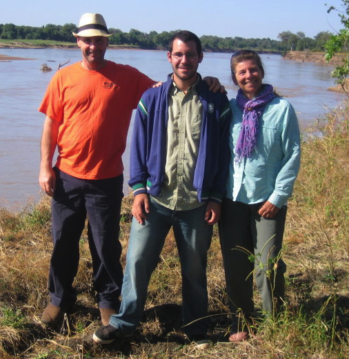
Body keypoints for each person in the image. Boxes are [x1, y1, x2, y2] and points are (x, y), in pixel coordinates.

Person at [38, 13, 223, 328]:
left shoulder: (127, 76)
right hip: (66, 175)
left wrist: (206, 83)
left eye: (99, 39)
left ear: (107, 41)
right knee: (63, 242)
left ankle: (108, 303)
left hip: (107, 179)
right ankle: (59, 301)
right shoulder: (62, 78)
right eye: (87, 39)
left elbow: (167, 90)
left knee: (106, 245)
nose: (93, 45)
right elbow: (51, 124)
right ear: (78, 41)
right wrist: (45, 166)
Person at [92, 30, 231, 349]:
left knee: (195, 268)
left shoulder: (215, 100)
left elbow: (223, 155)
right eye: (178, 54)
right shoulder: (152, 98)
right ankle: (125, 322)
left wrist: (215, 196)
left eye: (191, 54)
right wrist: (138, 190)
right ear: (169, 57)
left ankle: (196, 328)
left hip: (197, 203)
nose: (185, 60)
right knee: (137, 262)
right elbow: (137, 148)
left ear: (200, 57)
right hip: (155, 200)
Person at [218, 50, 301, 342]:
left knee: (268, 266)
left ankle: (274, 323)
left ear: (262, 72)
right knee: (236, 266)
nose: (248, 75)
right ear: (235, 78)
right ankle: (241, 323)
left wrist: (278, 197)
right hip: (232, 201)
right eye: (241, 72)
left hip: (268, 202)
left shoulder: (282, 108)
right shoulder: (230, 110)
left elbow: (292, 155)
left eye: (253, 70)